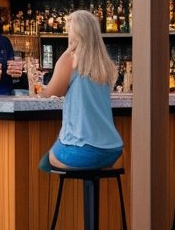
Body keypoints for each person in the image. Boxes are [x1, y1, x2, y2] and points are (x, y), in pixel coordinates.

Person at [38, 9, 123, 171]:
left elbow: (50, 94)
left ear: (76, 34)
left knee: (44, 163)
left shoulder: (71, 59)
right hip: (112, 150)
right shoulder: (105, 65)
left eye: (69, 31)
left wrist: (66, 52)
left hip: (83, 151)